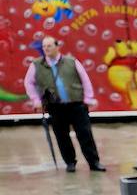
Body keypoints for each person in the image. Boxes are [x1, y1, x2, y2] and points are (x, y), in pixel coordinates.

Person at [23, 35, 105, 172]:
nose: (46, 49)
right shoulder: (36, 65)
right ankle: (70, 163)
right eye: (44, 46)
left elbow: (85, 79)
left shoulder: (71, 61)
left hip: (76, 104)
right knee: (62, 136)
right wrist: (36, 100)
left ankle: (94, 162)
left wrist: (88, 98)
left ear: (57, 46)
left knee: (85, 134)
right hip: (55, 106)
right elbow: (29, 83)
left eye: (49, 46)